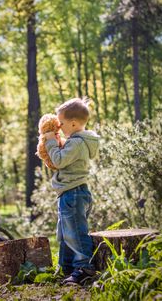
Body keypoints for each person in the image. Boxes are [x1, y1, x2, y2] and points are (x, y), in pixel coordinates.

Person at [44, 97, 100, 285]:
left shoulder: (76, 143)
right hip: (72, 192)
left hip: (73, 193)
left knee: (75, 232)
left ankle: (85, 268)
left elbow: (59, 161)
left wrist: (51, 142)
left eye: (61, 124)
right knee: (66, 231)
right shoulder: (76, 141)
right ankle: (67, 267)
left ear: (74, 123)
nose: (58, 128)